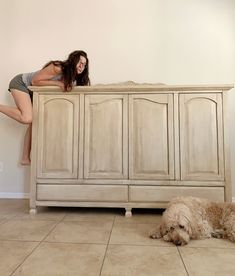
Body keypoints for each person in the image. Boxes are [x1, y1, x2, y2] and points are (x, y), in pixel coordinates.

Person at [0, 50, 90, 165]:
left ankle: (25, 158)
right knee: (27, 118)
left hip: (33, 91)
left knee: (35, 122)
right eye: (80, 63)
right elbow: (35, 81)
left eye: (84, 64)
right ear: (73, 61)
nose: (82, 66)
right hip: (21, 83)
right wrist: (59, 84)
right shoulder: (57, 67)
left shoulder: (71, 77)